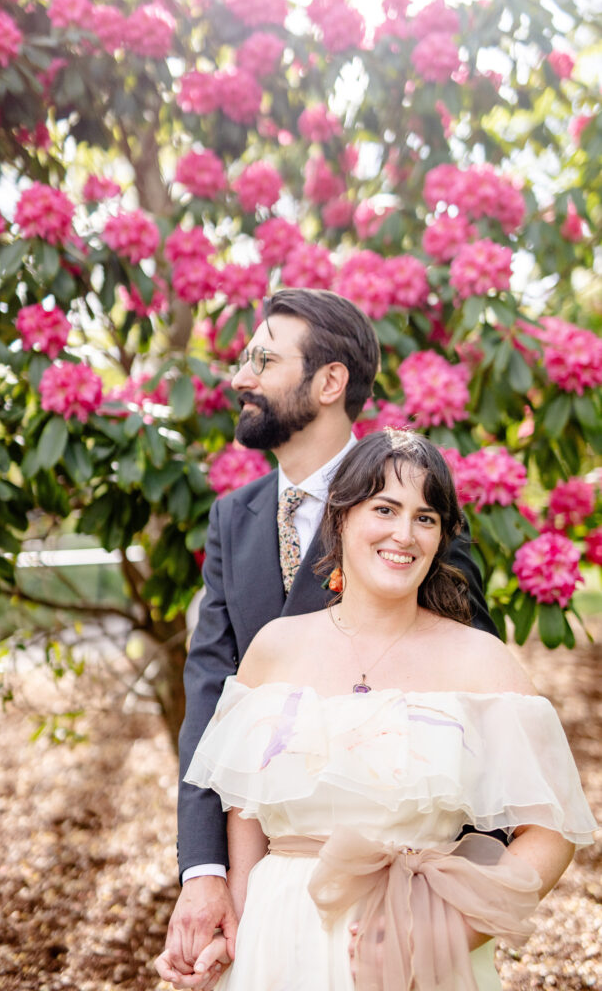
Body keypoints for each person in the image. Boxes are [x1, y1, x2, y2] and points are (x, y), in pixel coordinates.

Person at [157, 289, 497, 988]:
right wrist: (206, 874)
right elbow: (211, 707)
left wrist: (454, 910)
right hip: (271, 895)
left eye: (263, 358)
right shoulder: (232, 518)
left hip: (394, 921)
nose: (239, 378)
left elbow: (485, 734)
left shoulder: (409, 516)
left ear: (329, 381)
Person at [179, 430, 596, 990]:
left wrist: (448, 926)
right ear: (342, 517)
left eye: (426, 518)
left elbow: (551, 831)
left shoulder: (479, 659)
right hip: (278, 940)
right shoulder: (275, 647)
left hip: (413, 946)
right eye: (385, 508)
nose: (405, 534)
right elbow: (248, 808)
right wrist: (237, 929)